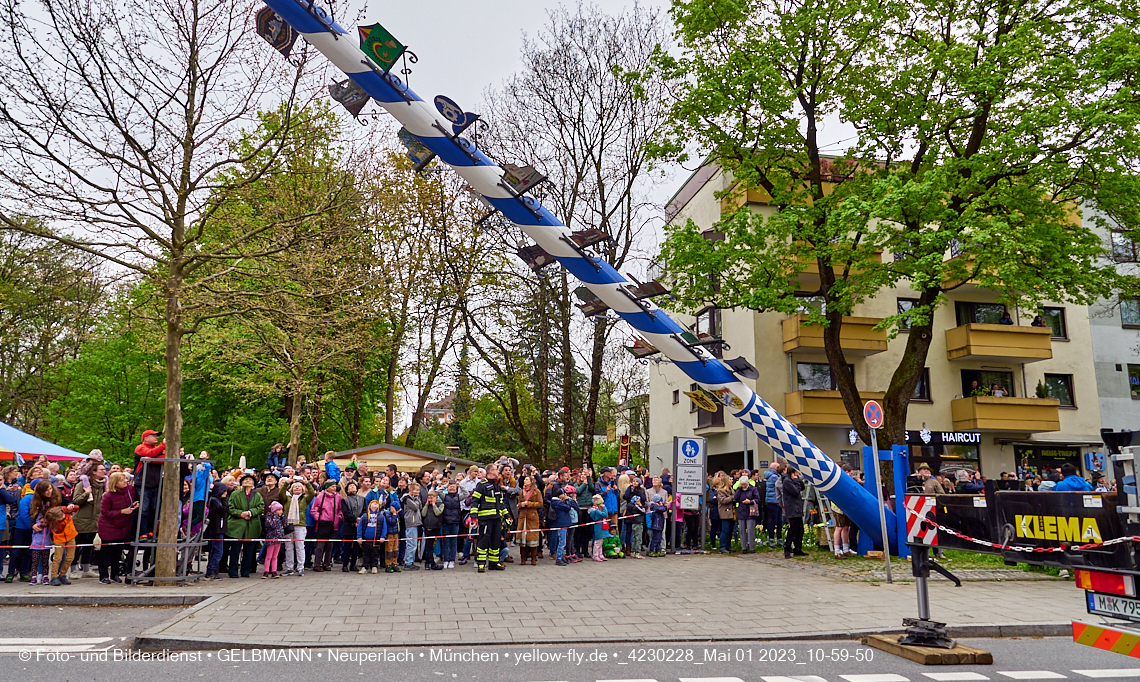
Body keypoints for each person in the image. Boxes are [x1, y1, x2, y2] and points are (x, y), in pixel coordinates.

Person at [97, 473, 138, 584]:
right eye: (121, 480)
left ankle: (115, 574)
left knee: (118, 551)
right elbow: (105, 512)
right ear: (115, 483)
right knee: (106, 552)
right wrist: (122, 512)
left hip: (124, 526)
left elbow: (133, 501)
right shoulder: (108, 496)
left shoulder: (130, 490)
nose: (125, 481)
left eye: (125, 479)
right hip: (109, 526)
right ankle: (103, 575)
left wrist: (134, 505)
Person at [471, 465, 511, 573]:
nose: (498, 471)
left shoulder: (497, 485)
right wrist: (473, 517)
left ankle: (493, 563)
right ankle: (481, 564)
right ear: (491, 471)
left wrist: (507, 516)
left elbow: (500, 503)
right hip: (485, 519)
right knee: (483, 541)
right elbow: (474, 500)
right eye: (496, 469)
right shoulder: (481, 485)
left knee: (496, 542)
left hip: (497, 519)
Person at [225, 474, 264, 578]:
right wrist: (240, 514)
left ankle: (245, 571)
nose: (247, 481)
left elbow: (261, 506)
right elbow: (230, 507)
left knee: (249, 551)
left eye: (250, 480)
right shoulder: (235, 494)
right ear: (241, 483)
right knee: (234, 551)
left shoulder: (257, 495)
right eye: (245, 480)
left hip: (252, 526)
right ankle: (233, 571)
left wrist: (250, 513)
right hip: (236, 526)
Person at [71, 463, 105, 579]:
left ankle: (86, 569)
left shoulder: (103, 485)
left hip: (94, 520)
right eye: (101, 469)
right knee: (77, 546)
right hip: (81, 520)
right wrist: (86, 494)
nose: (104, 471)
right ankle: (73, 569)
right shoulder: (82, 484)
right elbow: (76, 500)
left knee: (89, 545)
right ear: (94, 472)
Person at [310, 481, 342, 572]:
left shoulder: (338, 497)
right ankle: (317, 564)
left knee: (330, 545)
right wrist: (319, 518)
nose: (334, 488)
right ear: (327, 487)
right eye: (332, 486)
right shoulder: (320, 497)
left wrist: (338, 517)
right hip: (322, 523)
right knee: (320, 545)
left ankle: (326, 563)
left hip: (333, 523)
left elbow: (340, 509)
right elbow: (314, 510)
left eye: (335, 486)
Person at [203, 480, 229, 580]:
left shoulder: (215, 500)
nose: (226, 493)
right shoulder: (215, 500)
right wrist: (225, 500)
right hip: (217, 529)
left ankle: (212, 570)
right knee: (218, 552)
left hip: (218, 528)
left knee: (215, 551)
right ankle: (211, 571)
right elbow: (223, 510)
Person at [515, 476, 542, 566]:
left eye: (527, 479)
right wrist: (521, 504)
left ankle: (533, 559)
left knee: (533, 538)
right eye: (524, 479)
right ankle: (523, 558)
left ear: (531, 481)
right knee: (522, 539)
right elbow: (518, 502)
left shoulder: (536, 491)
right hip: (523, 517)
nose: (525, 481)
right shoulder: (522, 491)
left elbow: (540, 503)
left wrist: (529, 504)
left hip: (532, 517)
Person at [782, 469, 808, 558]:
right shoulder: (787, 481)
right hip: (792, 508)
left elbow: (802, 487)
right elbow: (796, 492)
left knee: (800, 530)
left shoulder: (793, 480)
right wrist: (796, 481)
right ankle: (787, 548)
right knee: (792, 530)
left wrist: (797, 479)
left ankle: (797, 549)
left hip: (797, 507)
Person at [339, 481, 364, 573]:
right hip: (348, 525)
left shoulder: (362, 499)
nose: (352, 487)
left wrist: (359, 520)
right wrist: (355, 519)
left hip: (359, 525)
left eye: (354, 486)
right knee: (347, 546)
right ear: (347, 489)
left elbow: (365, 510)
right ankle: (345, 565)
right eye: (350, 486)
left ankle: (353, 564)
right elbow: (345, 513)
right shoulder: (344, 500)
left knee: (357, 546)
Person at [733, 476, 762, 554]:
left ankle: (752, 547)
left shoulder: (753, 489)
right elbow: (735, 498)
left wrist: (750, 501)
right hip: (741, 511)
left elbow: (758, 499)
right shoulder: (739, 490)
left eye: (744, 484)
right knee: (742, 530)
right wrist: (738, 489)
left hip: (750, 512)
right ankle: (744, 548)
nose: (743, 486)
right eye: (742, 484)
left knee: (750, 530)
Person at [357, 499, 385, 574]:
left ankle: (374, 566)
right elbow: (360, 527)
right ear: (369, 505)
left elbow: (384, 527)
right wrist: (359, 537)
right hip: (366, 539)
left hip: (376, 539)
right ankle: (365, 566)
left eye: (377, 503)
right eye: (373, 503)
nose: (375, 503)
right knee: (365, 553)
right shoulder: (364, 516)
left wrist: (383, 536)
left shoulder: (381, 516)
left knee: (375, 553)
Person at [549, 485, 572, 567]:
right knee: (562, 542)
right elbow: (568, 507)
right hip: (562, 523)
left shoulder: (559, 502)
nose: (565, 495)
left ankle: (561, 556)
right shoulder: (557, 503)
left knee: (563, 541)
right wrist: (567, 500)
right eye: (564, 494)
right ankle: (559, 558)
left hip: (564, 523)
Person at [440, 482, 463, 569]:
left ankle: (452, 560)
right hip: (445, 522)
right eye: (450, 487)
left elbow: (466, 494)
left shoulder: (458, 497)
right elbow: (439, 491)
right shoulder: (444, 496)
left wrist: (460, 486)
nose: (452, 488)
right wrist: (446, 484)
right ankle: (446, 560)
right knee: (445, 542)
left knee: (453, 542)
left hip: (455, 522)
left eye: (454, 487)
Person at [421, 489, 444, 570]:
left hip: (435, 527)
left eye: (432, 497)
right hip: (427, 527)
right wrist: (426, 505)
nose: (430, 499)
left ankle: (429, 562)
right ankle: (430, 563)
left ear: (436, 497)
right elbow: (423, 514)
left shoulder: (440, 504)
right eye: (429, 497)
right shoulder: (427, 505)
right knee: (428, 546)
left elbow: (438, 513)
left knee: (431, 546)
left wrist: (434, 504)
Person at [262, 501, 285, 579]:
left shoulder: (281, 517)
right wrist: (276, 517)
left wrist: (284, 518)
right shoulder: (269, 517)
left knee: (275, 556)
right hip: (271, 539)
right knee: (269, 556)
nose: (281, 511)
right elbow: (272, 525)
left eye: (281, 510)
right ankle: (266, 571)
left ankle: (274, 571)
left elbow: (285, 525)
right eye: (279, 510)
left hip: (278, 539)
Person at [716, 477, 737, 553]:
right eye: (730, 479)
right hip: (725, 513)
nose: (732, 481)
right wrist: (732, 498)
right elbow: (723, 500)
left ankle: (728, 545)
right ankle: (722, 546)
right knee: (725, 530)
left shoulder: (731, 490)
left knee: (730, 530)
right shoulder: (721, 491)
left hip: (732, 513)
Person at [764, 463, 782, 547]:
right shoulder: (774, 477)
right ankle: (773, 539)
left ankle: (775, 538)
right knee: (775, 521)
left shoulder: (770, 476)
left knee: (777, 521)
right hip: (774, 501)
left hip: (772, 501)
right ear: (775, 468)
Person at [588, 495, 609, 561]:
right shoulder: (596, 511)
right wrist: (604, 507)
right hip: (599, 527)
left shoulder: (598, 510)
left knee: (601, 542)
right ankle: (595, 555)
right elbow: (605, 514)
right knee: (597, 542)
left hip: (602, 527)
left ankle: (600, 554)